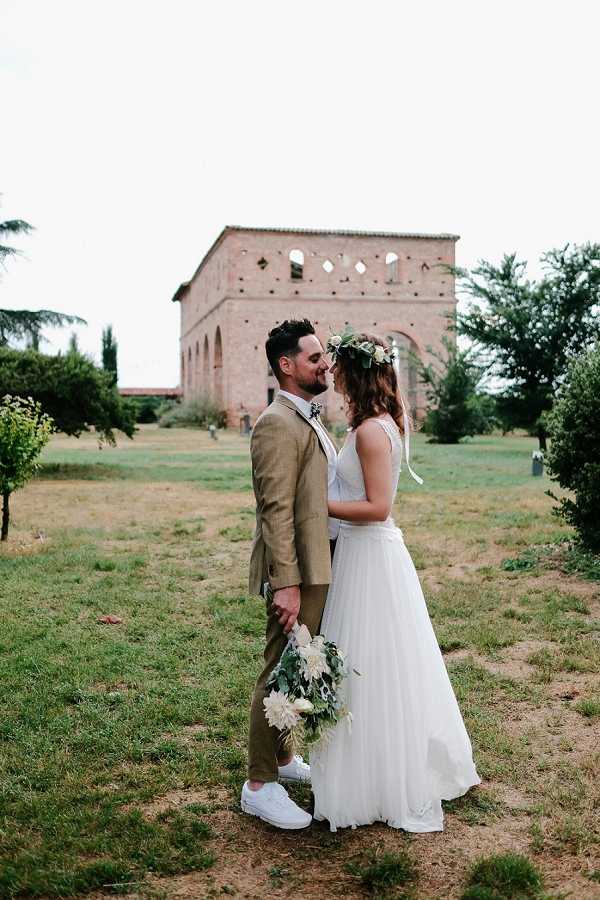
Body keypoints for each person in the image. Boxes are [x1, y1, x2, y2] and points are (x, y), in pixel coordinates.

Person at [311, 330, 481, 832]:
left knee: (371, 663)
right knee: (379, 663)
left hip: (371, 555)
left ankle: (379, 778)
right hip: (369, 556)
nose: (333, 375)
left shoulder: (369, 432)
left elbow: (378, 507)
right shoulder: (379, 423)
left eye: (339, 368)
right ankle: (374, 765)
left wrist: (316, 506)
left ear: (356, 375)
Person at [241, 319, 338, 829]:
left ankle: (281, 760)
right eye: (315, 357)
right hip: (296, 569)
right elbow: (274, 510)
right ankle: (259, 785)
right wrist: (286, 582)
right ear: (287, 365)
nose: (325, 364)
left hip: (316, 564)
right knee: (279, 670)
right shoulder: (277, 422)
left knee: (299, 666)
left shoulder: (309, 418)